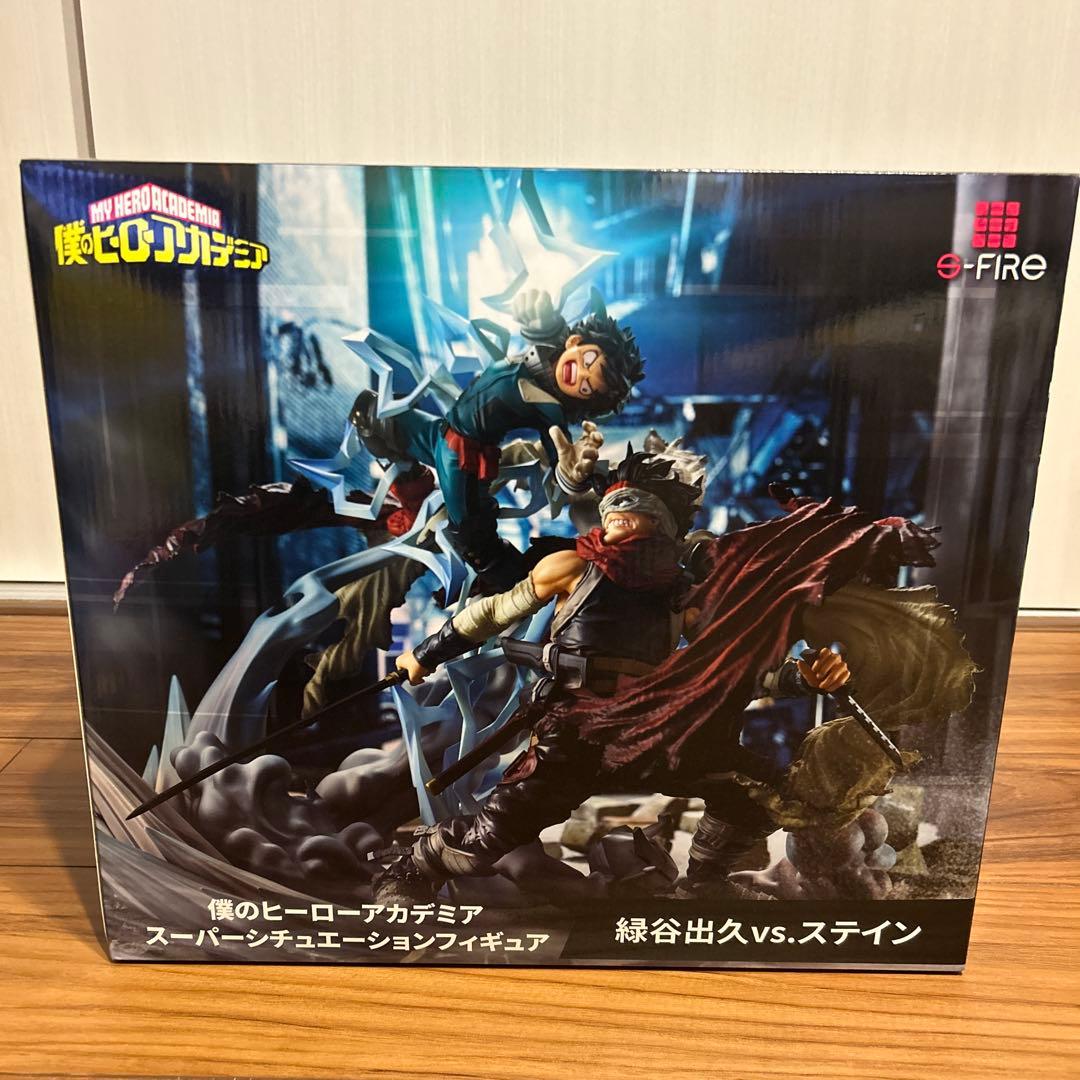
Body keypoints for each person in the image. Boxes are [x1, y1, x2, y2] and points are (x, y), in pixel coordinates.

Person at [372, 450, 859, 904]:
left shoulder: (685, 594)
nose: (621, 512)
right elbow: (490, 614)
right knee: (494, 834)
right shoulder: (570, 567)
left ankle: (706, 881)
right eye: (615, 504)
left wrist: (804, 678)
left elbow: (731, 666)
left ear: (666, 524)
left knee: (756, 792)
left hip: (653, 729)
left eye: (639, 505)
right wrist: (425, 654)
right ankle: (411, 868)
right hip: (576, 729)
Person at [351, 289, 644, 589]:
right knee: (371, 415)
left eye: (586, 387)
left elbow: (560, 460)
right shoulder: (547, 350)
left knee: (476, 544)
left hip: (464, 460)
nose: (579, 374)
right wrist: (542, 317)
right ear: (575, 342)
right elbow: (548, 331)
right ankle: (413, 504)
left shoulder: (550, 410)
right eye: (588, 360)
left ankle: (517, 587)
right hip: (439, 432)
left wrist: (573, 474)